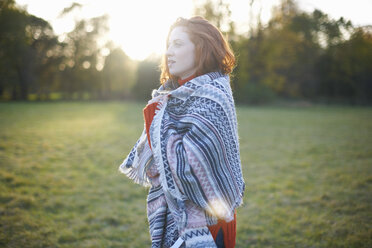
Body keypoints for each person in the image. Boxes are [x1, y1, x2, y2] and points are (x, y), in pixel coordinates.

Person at [119, 16, 245, 248]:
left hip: (208, 224)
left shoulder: (213, 96)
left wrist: (156, 122)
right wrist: (158, 118)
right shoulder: (172, 97)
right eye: (168, 45)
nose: (168, 52)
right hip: (176, 219)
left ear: (201, 48)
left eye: (178, 44)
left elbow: (189, 171)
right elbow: (156, 169)